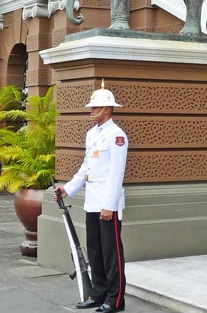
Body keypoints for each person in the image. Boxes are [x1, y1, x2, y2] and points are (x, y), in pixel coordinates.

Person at [54, 84, 128, 313]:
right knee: (94, 251)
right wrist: (69, 189)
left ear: (106, 108)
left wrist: (109, 205)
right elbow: (86, 167)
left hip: (108, 204)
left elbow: (116, 173)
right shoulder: (92, 134)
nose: (91, 109)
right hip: (92, 201)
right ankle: (98, 294)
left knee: (111, 254)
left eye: (95, 106)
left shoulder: (117, 136)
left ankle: (115, 300)